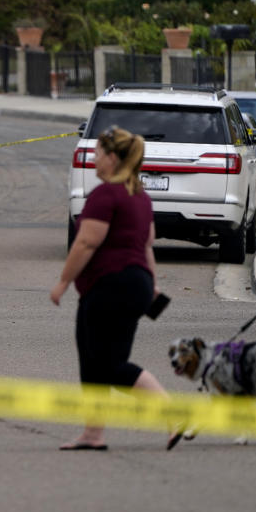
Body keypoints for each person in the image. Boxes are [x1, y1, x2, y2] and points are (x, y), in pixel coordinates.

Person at [49, 126, 180, 451]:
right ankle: (93, 433)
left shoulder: (106, 194)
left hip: (110, 285)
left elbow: (86, 243)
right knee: (97, 361)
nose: (93, 157)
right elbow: (146, 245)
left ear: (112, 157)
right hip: (134, 284)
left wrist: (63, 282)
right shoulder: (140, 196)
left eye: (97, 153)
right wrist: (151, 284)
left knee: (107, 365)